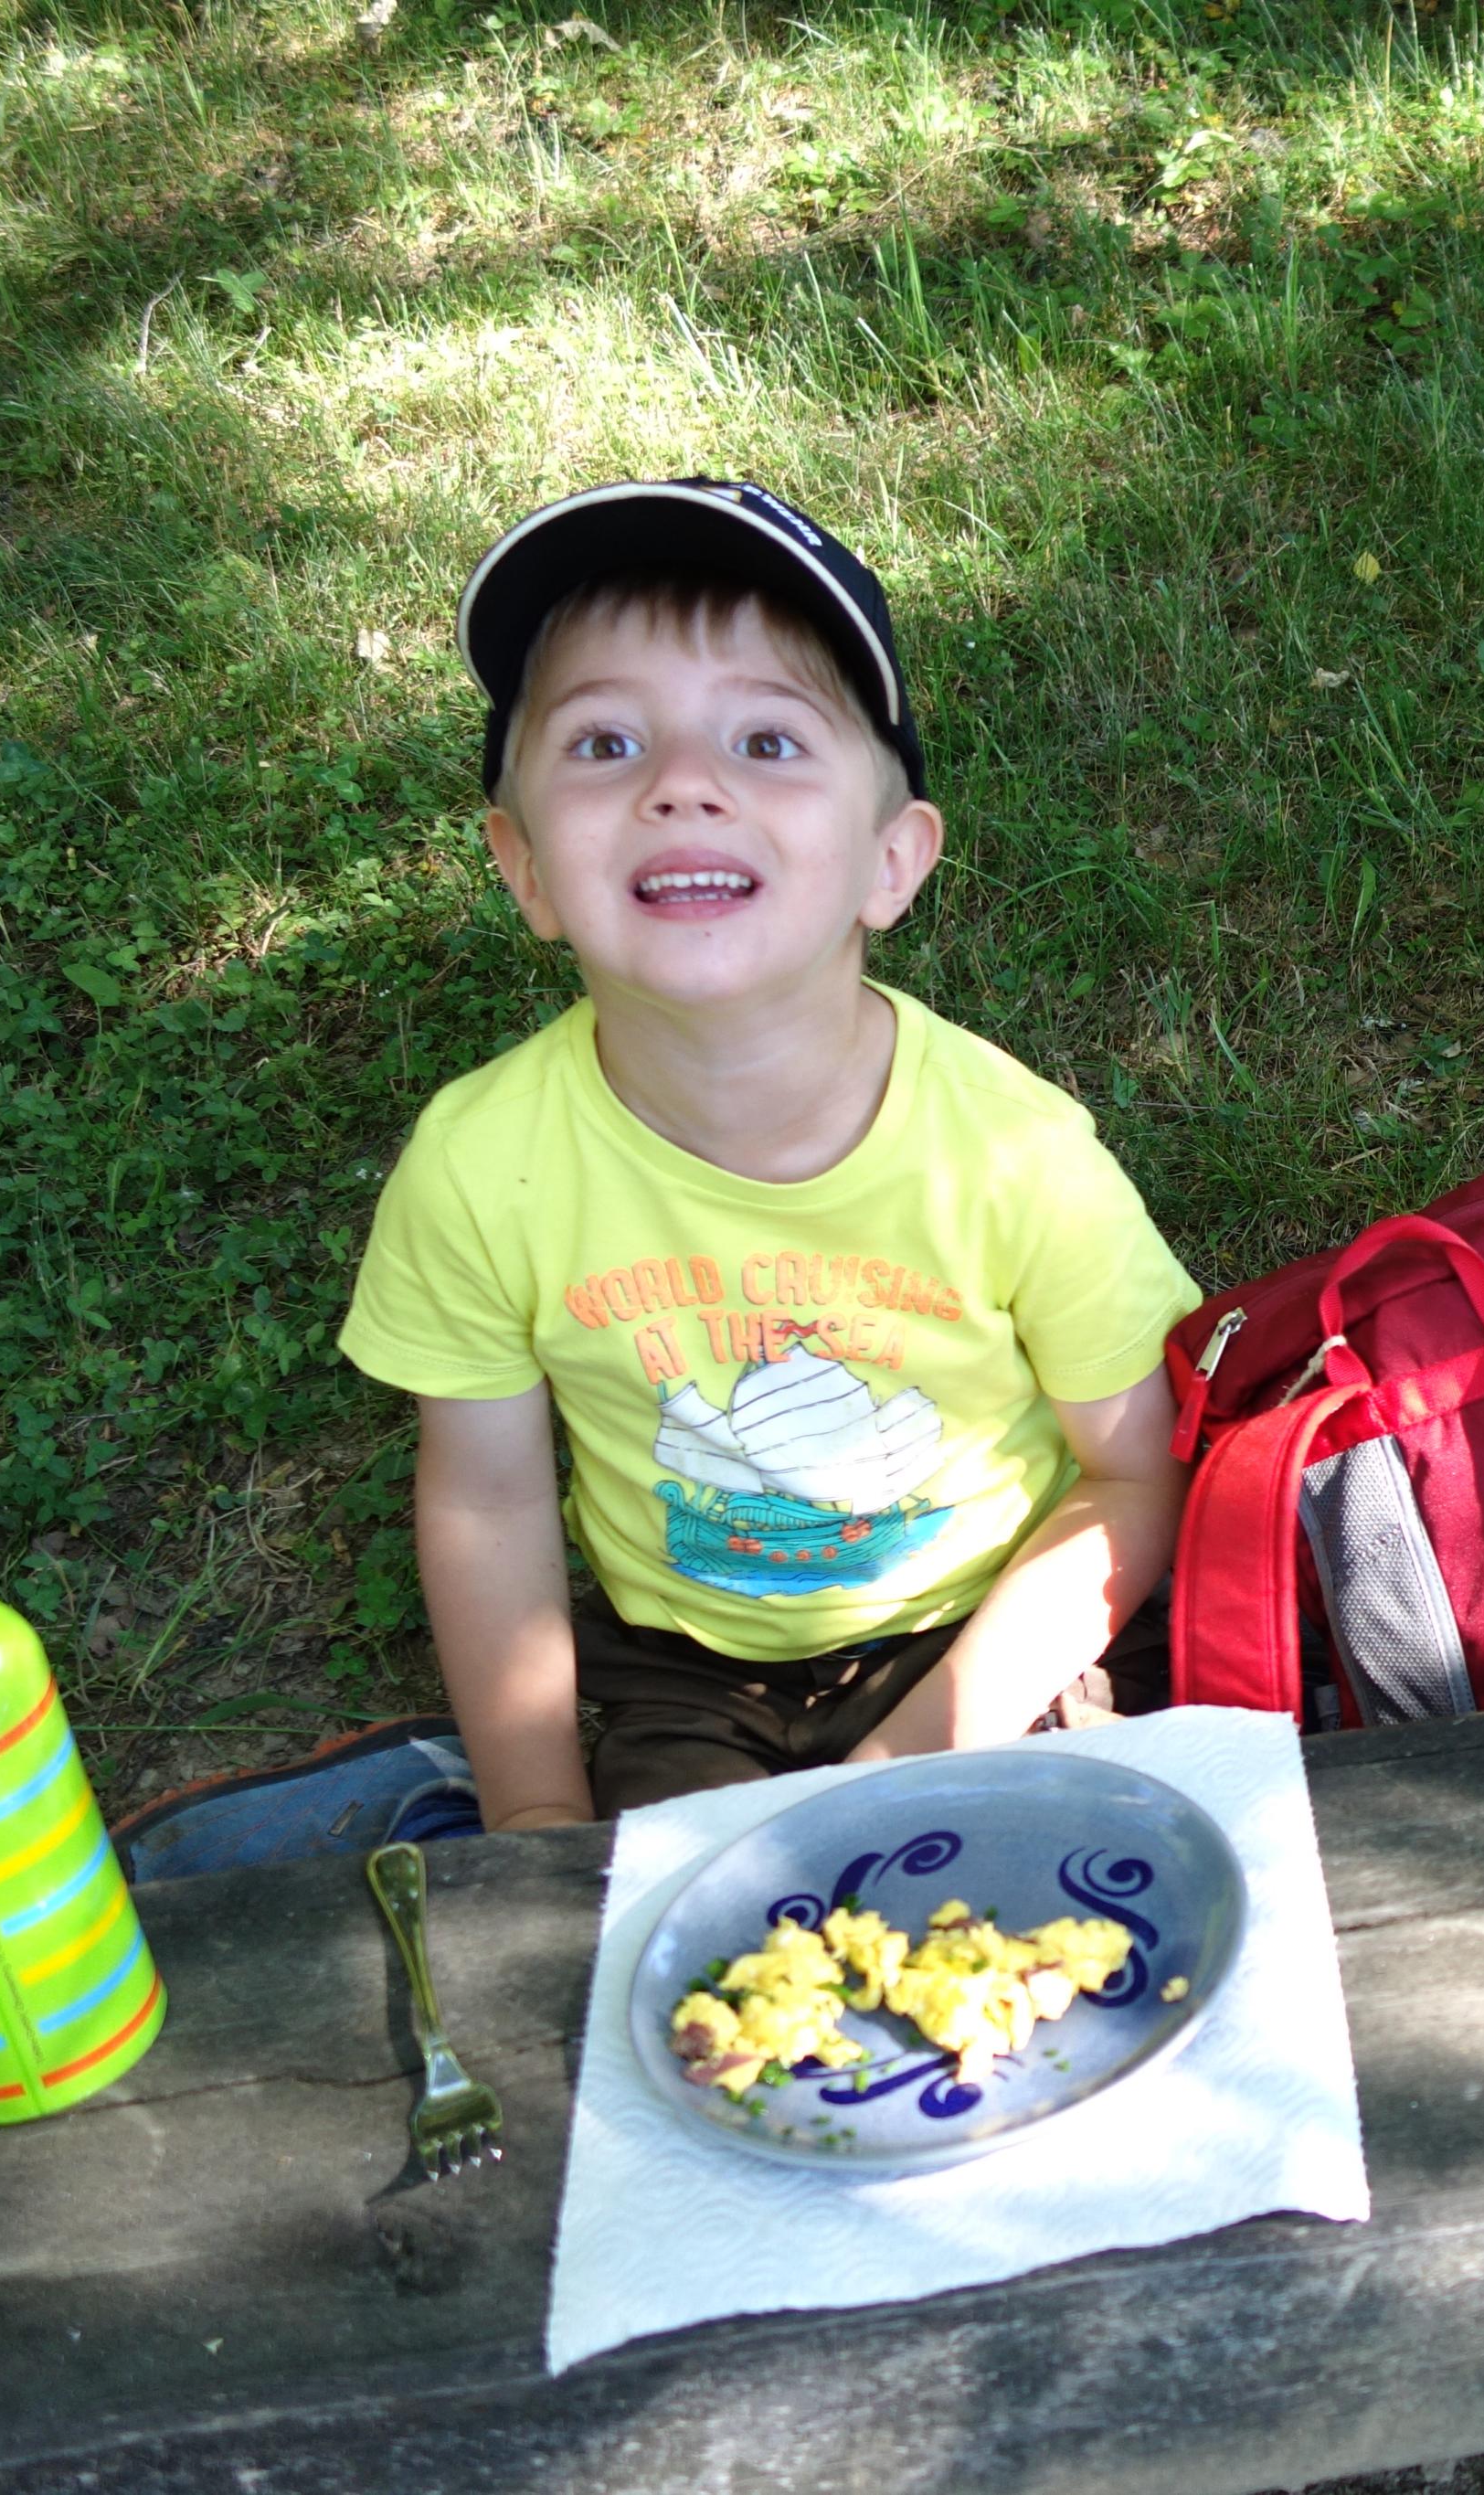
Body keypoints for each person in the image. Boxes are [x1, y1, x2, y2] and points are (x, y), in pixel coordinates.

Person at [337, 480, 1203, 1825]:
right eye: (606, 742)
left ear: (890, 862)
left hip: (988, 1627)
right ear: (525, 869)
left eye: (766, 739)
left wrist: (913, 1757)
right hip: (687, 1668)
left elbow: (1133, 1476)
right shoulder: (478, 1167)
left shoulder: (1013, 1156)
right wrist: (536, 1823)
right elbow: (487, 1507)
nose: (683, 783)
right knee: (676, 1932)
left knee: (1032, 1895)